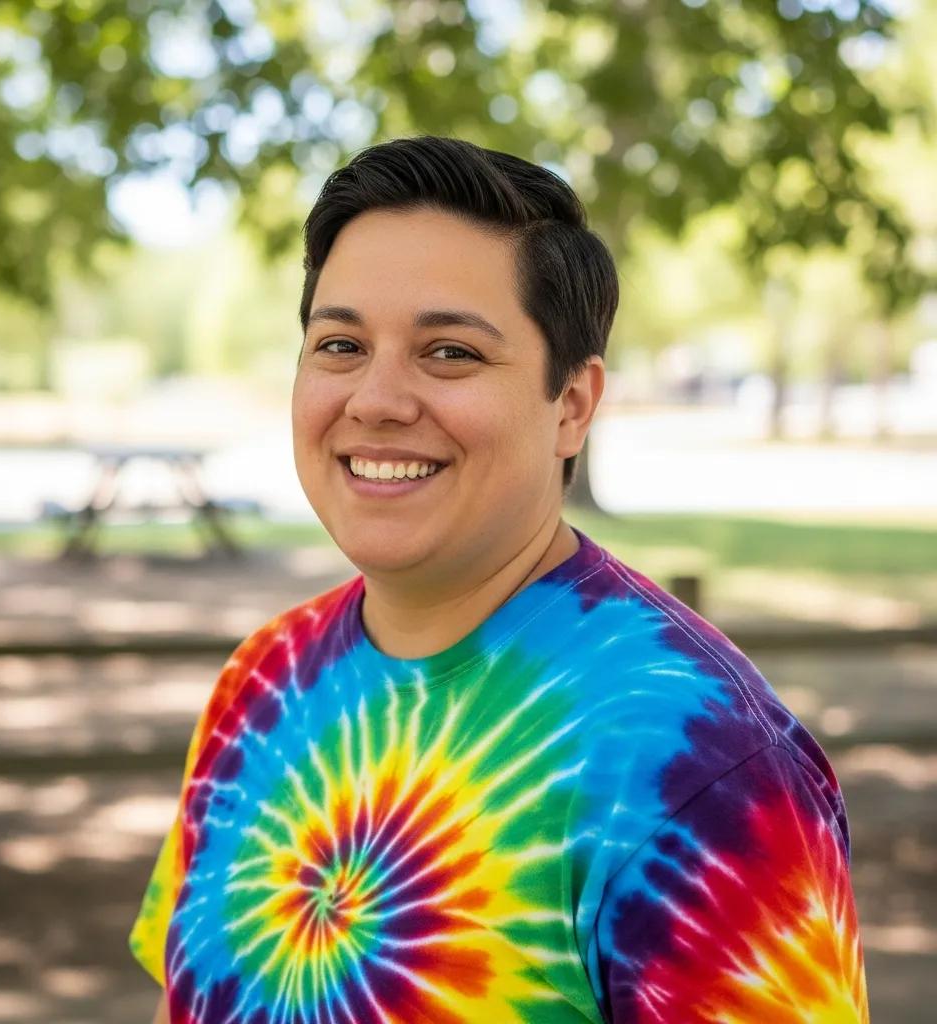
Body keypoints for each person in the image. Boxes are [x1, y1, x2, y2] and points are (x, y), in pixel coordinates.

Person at [131, 135, 869, 1024]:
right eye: (340, 344)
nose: (376, 399)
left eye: (450, 353)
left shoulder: (698, 766)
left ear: (572, 406)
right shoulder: (261, 683)